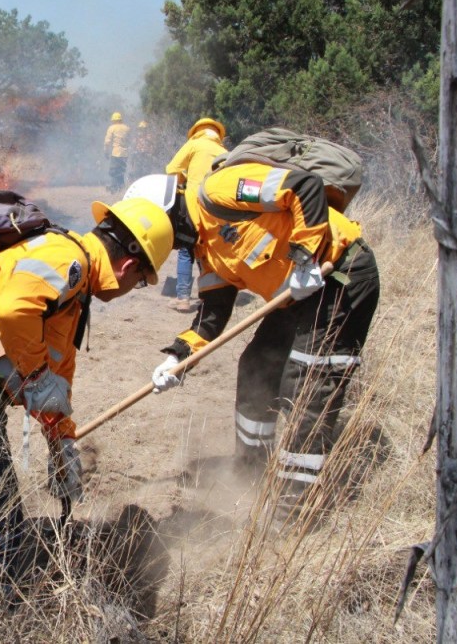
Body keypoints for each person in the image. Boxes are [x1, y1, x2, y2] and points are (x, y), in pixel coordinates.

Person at [0, 196, 174, 607]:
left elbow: (57, 370)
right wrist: (33, 378)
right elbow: (15, 315)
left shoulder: (73, 287)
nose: (131, 289)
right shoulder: (66, 261)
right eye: (140, 281)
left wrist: (61, 440)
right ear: (129, 266)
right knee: (5, 529)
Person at [150, 158, 380, 519]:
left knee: (307, 386)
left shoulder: (220, 191)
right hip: (296, 297)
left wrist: (303, 256)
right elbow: (212, 316)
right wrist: (179, 356)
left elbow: (304, 187)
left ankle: (293, 508)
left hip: (339, 275)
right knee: (256, 364)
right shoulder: (204, 253)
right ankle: (250, 470)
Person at [164, 117, 228, 313]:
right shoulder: (226, 153)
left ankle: (183, 298)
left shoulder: (194, 144)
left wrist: (184, 179)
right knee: (208, 251)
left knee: (187, 247)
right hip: (218, 208)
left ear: (197, 131)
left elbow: (171, 169)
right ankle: (208, 298)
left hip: (194, 204)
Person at [103, 112, 131, 192]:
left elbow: (107, 142)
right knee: (121, 171)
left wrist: (106, 151)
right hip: (125, 154)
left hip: (116, 153)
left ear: (113, 120)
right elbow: (129, 140)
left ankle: (113, 187)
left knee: (113, 171)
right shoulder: (127, 128)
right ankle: (121, 187)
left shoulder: (112, 128)